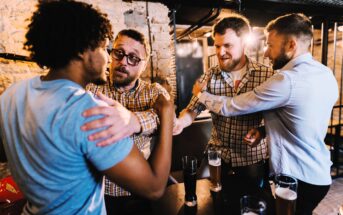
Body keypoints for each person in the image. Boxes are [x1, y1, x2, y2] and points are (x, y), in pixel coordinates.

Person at [0, 1, 173, 214]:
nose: (109, 58)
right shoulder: (89, 111)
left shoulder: (11, 95)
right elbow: (154, 187)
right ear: (84, 50)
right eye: (104, 48)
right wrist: (166, 111)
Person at [194, 13, 338, 215]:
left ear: (291, 45)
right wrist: (263, 130)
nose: (267, 53)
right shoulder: (326, 74)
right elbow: (299, 120)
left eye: (270, 45)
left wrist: (201, 94)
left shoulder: (286, 81)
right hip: (319, 173)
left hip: (298, 176)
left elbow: (233, 106)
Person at [173, 14, 275, 213]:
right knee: (215, 206)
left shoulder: (267, 75)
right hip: (217, 157)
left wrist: (262, 131)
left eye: (227, 45)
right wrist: (181, 122)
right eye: (217, 46)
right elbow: (193, 109)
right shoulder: (209, 76)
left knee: (253, 207)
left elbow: (276, 118)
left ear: (244, 42)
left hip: (252, 159)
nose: (221, 52)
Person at [85, 29, 170, 213]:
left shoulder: (155, 93)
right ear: (111, 53)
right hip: (99, 190)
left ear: (144, 64)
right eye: (119, 53)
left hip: (140, 190)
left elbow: (166, 118)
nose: (123, 62)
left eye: (133, 58)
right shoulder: (91, 89)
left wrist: (133, 121)